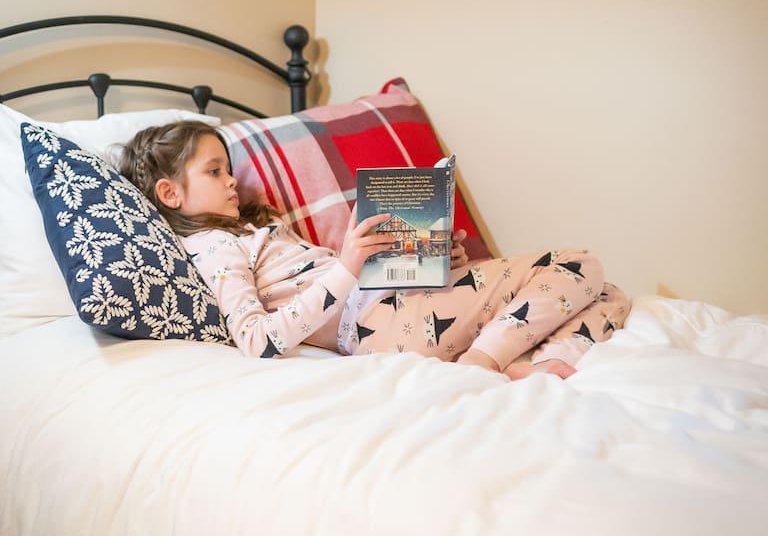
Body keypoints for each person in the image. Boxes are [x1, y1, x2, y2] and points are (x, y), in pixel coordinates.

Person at [118, 121, 629, 380]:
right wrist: (346, 266)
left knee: (606, 293)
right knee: (578, 265)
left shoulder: (252, 230)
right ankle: (481, 369)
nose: (233, 182)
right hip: (377, 326)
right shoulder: (212, 246)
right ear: (170, 193)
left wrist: (429, 259)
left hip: (393, 301)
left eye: (228, 168)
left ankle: (532, 366)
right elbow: (255, 340)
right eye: (214, 172)